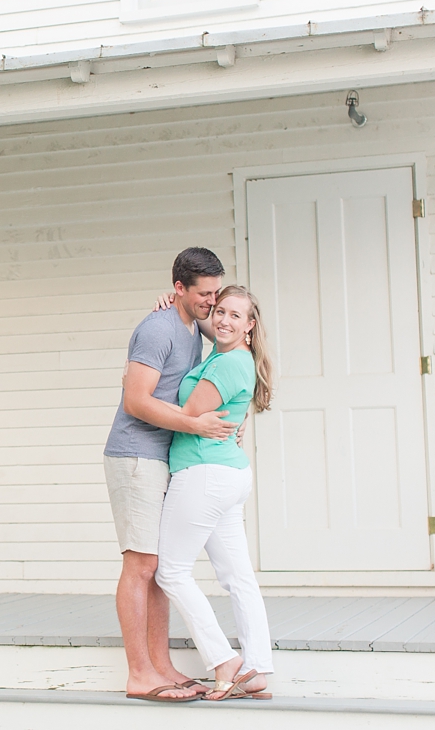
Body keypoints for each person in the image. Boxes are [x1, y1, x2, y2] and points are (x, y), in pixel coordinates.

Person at [103, 248, 239, 702]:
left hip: (164, 457)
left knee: (159, 566)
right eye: (204, 294)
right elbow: (136, 401)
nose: (212, 302)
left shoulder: (190, 324)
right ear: (179, 289)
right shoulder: (157, 328)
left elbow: (228, 328)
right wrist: (195, 424)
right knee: (140, 564)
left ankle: (162, 665)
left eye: (216, 292)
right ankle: (139, 673)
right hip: (136, 456)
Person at [155, 284, 275, 701]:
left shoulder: (226, 365)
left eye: (235, 315)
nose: (223, 320)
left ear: (251, 325)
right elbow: (211, 326)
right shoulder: (230, 355)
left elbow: (189, 414)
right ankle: (257, 668)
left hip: (203, 474)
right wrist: (176, 308)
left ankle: (224, 661)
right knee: (238, 577)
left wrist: (137, 399)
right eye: (219, 311)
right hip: (228, 475)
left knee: (171, 571)